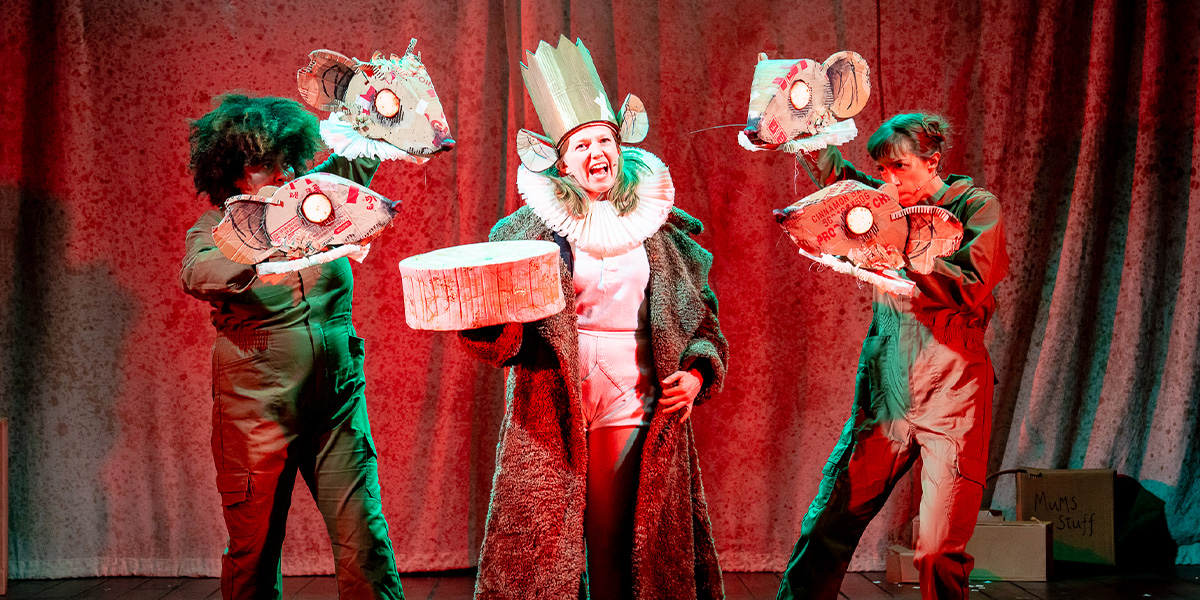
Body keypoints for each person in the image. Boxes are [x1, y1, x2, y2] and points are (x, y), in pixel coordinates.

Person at [459, 37, 728, 600]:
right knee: (543, 545)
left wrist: (699, 372)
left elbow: (701, 322)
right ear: (561, 162)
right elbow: (501, 332)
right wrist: (481, 318)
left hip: (631, 391)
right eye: (581, 144)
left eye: (605, 138)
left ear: (621, 145)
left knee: (617, 536)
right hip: (550, 396)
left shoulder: (661, 232)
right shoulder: (524, 234)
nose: (597, 151)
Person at [180, 94, 405, 600]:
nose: (281, 174)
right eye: (263, 166)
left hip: (337, 408)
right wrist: (267, 244)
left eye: (285, 160)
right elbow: (197, 273)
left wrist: (390, 105)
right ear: (235, 176)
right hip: (257, 414)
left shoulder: (316, 203)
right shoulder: (216, 232)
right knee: (253, 552)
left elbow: (366, 145)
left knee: (364, 542)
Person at [777, 113, 1009, 600]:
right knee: (828, 522)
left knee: (937, 549)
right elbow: (843, 185)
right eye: (882, 170)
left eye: (899, 168)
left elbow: (971, 285)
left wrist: (905, 256)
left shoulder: (974, 207)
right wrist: (800, 131)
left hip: (954, 393)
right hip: (890, 386)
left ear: (933, 161)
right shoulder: (885, 207)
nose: (889, 181)